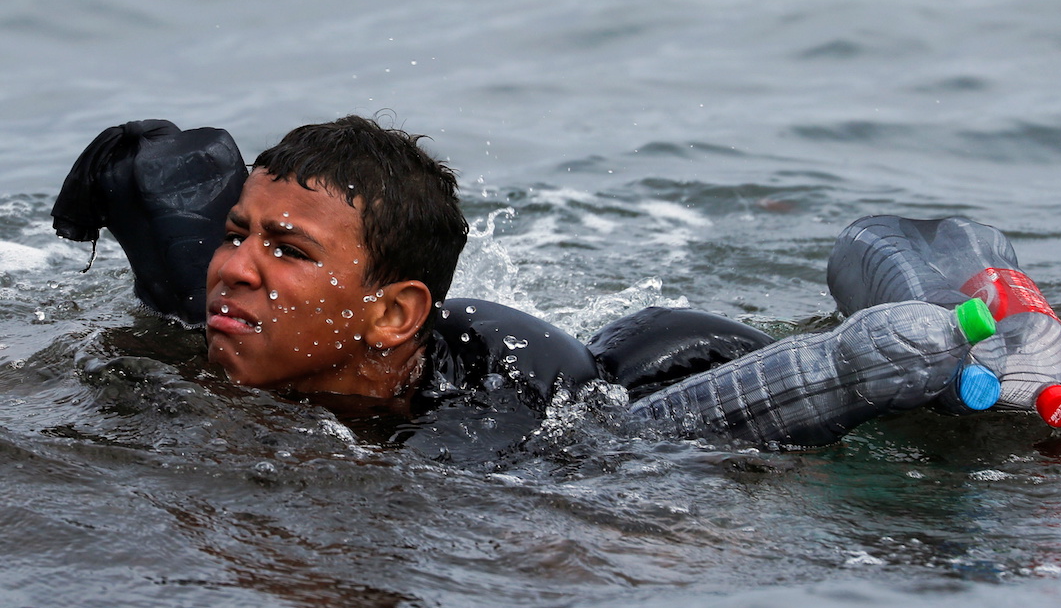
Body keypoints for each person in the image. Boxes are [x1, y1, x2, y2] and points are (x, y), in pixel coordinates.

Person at [50, 117, 775, 448]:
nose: (235, 267)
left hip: (669, 372)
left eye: (289, 250)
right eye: (237, 231)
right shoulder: (226, 315)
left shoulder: (483, 425)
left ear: (394, 315)